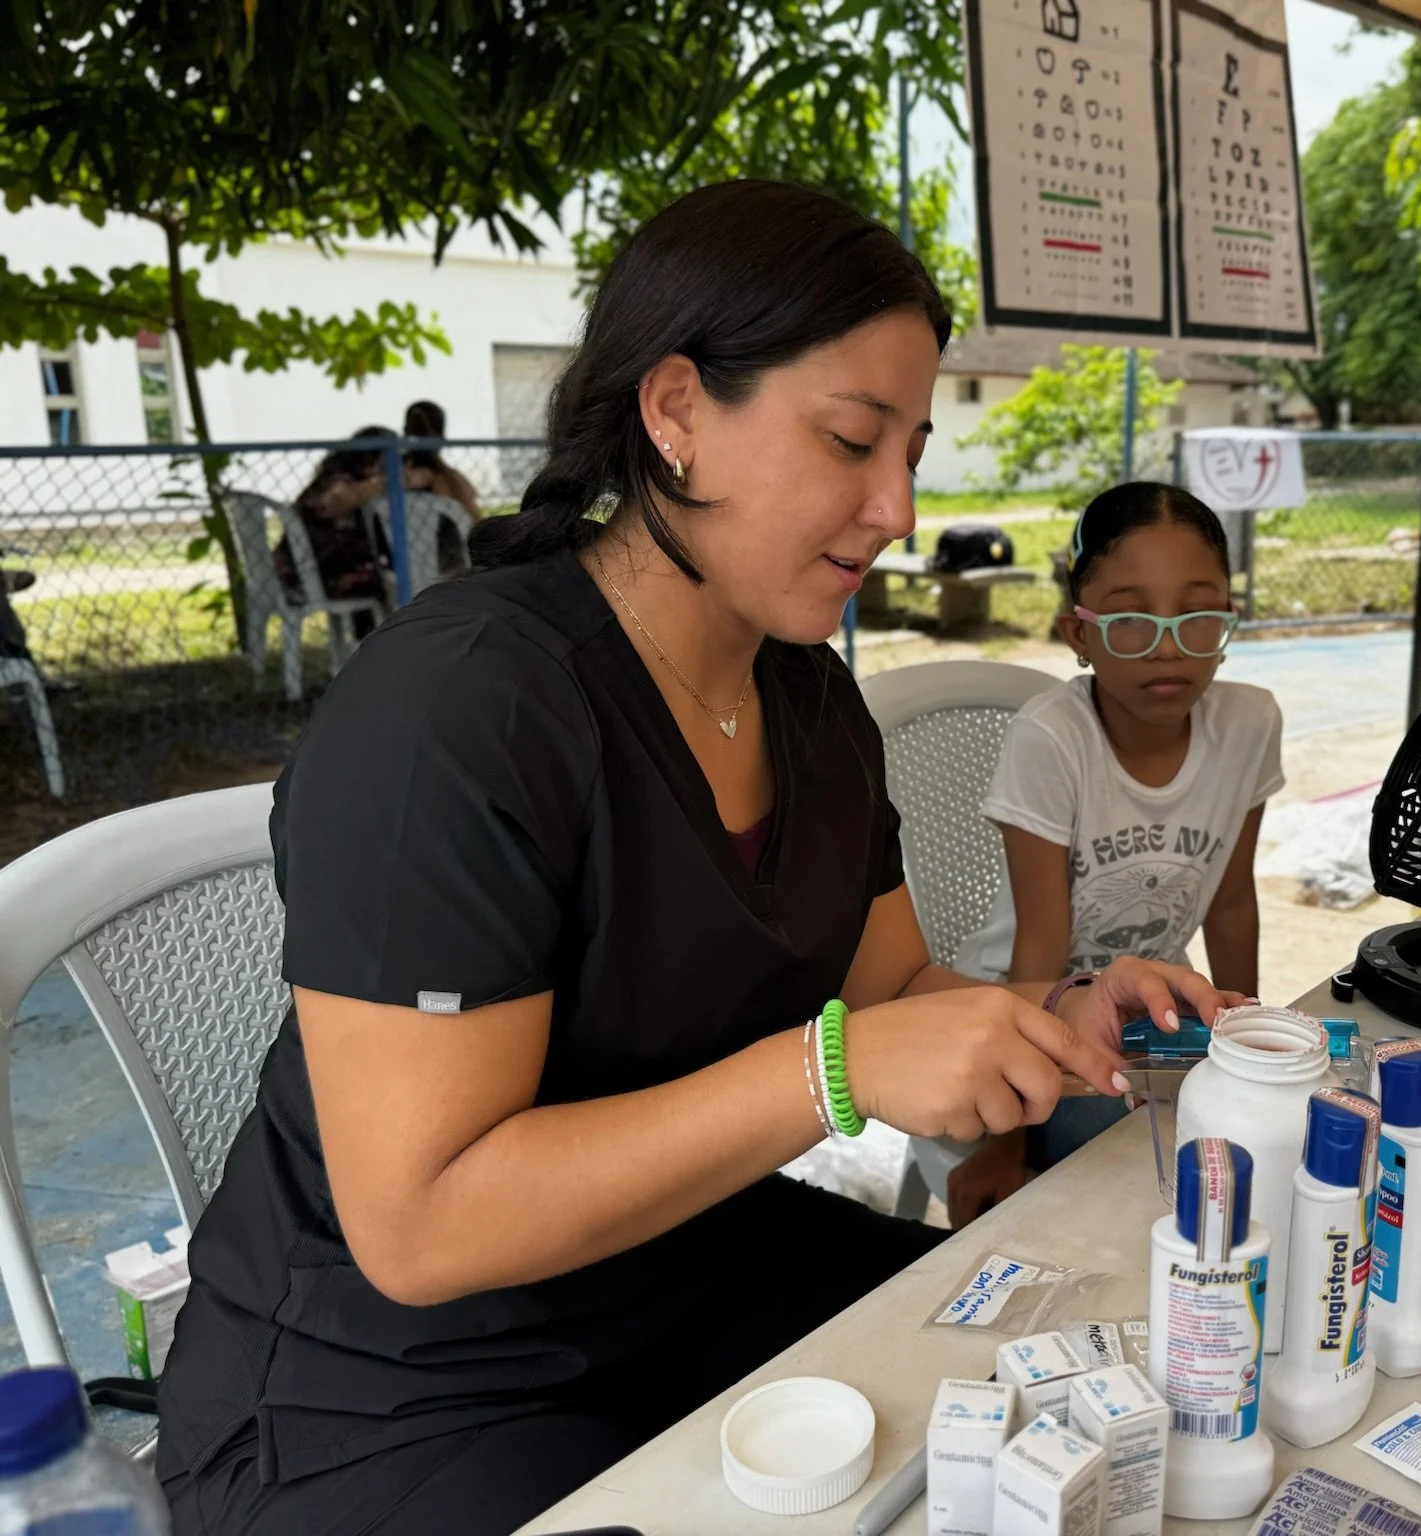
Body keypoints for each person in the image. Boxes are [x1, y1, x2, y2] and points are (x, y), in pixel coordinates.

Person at [154, 181, 1233, 1536]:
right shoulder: (461, 714)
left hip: (686, 1274)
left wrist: (1051, 1021)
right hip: (386, 1391)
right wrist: (830, 1073)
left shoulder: (810, 703)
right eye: (851, 440)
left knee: (1054, 1409)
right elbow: (420, 1225)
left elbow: (894, 991)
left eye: (912, 448)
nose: (897, 507)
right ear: (673, 417)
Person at [945, 482, 1283, 1222]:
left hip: (1154, 1014)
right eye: (1130, 619)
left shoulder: (1249, 723)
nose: (1168, 646)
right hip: (1020, 1015)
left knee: (1281, 1125)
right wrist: (1005, 1139)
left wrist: (1249, 1045)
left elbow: (1230, 904)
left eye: (1199, 616)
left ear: (1230, 617)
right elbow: (1040, 953)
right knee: (1151, 1162)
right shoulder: (1053, 740)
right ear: (1078, 633)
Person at [273, 427, 391, 632]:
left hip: (306, 569)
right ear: (371, 459)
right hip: (313, 573)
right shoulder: (341, 483)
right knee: (383, 581)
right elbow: (330, 505)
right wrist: (384, 483)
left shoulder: (334, 480)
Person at [401, 399, 482, 576]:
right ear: (442, 436)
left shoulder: (388, 479)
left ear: (405, 432)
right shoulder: (453, 482)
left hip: (399, 570)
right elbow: (475, 523)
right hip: (449, 570)